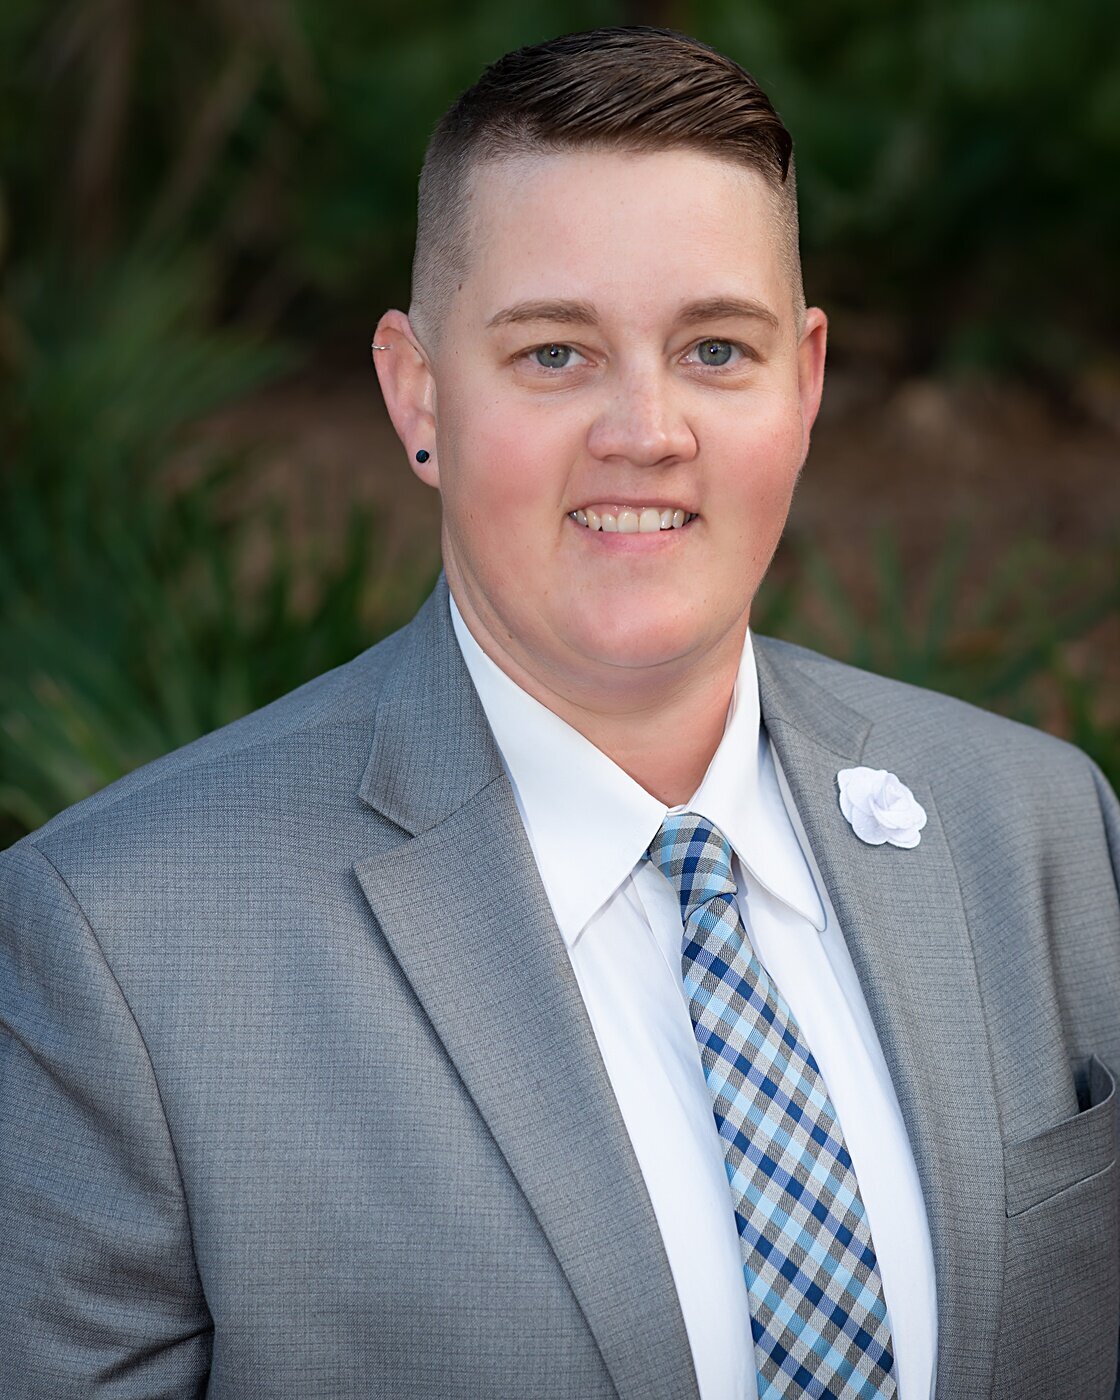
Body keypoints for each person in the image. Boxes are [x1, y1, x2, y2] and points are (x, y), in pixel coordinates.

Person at [1, 25, 1118, 1400]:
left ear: (807, 383)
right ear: (419, 393)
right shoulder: (120, 945)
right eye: (553, 355)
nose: (646, 429)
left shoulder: (1045, 830)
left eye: (716, 349)